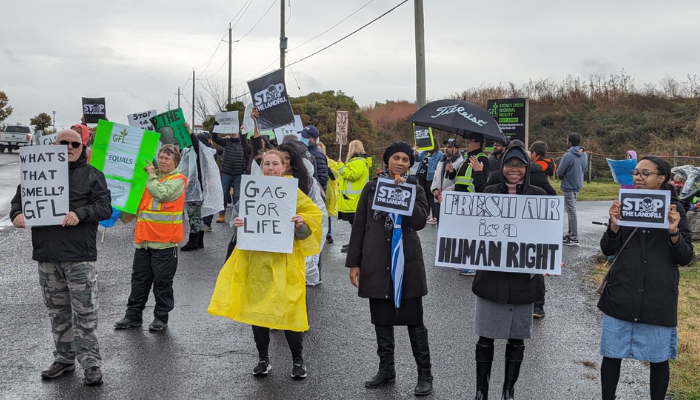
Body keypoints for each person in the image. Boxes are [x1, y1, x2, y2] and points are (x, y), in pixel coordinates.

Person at [10, 128, 112, 385]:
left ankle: (90, 363)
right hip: (47, 255)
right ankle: (64, 359)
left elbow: (104, 207)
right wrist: (17, 216)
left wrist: (81, 213)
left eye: (74, 144)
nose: (68, 147)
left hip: (79, 256)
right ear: (53, 144)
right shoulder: (35, 175)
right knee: (57, 312)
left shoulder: (92, 175)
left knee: (85, 313)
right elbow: (18, 203)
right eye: (63, 142)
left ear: (82, 148)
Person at [208, 150, 322, 379]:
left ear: (284, 166)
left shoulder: (294, 194)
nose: (270, 168)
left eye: (275, 164)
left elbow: (311, 224)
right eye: (267, 164)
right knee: (257, 310)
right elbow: (236, 223)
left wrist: (301, 224)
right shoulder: (252, 191)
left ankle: (298, 360)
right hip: (257, 262)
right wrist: (238, 224)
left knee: (290, 310)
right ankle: (263, 358)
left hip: (285, 263)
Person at [599, 156, 693, 400]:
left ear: (661, 178)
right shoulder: (625, 204)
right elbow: (608, 249)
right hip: (622, 291)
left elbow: (685, 257)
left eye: (645, 173)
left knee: (658, 357)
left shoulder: (676, 209)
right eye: (636, 173)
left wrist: (673, 232)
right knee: (611, 354)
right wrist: (614, 226)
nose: (638, 178)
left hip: (657, 295)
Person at [347, 141, 433, 396]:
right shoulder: (372, 188)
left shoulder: (415, 188)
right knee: (381, 320)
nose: (400, 162)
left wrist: (404, 195)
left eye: (405, 160)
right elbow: (360, 226)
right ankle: (387, 370)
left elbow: (419, 222)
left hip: (407, 262)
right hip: (376, 261)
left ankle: (424, 374)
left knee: (414, 321)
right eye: (396, 157)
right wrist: (354, 263)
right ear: (387, 160)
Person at [471, 143, 547, 400]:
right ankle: (481, 391)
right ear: (502, 167)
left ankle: (508, 391)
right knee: (486, 337)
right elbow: (473, 226)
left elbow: (548, 231)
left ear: (526, 168)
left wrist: (550, 258)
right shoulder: (490, 191)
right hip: (492, 275)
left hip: (523, 277)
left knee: (516, 339)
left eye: (519, 165)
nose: (514, 169)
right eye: (509, 164)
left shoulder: (538, 195)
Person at [114, 144, 187, 332]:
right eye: (161, 157)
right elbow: (139, 205)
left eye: (167, 158)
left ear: (175, 162)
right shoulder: (149, 179)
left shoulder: (178, 179)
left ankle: (161, 318)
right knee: (139, 281)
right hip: (144, 241)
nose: (162, 161)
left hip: (165, 242)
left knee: (162, 283)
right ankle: (133, 316)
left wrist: (151, 176)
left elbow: (162, 194)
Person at [278, 142, 328, 285]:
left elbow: (317, 210)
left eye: (287, 158)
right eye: (280, 158)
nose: (284, 162)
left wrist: (304, 221)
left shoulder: (307, 182)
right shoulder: (266, 181)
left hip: (297, 232)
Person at [453, 132, 490, 275]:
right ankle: (464, 259)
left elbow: (482, 183)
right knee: (463, 233)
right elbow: (459, 180)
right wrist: (451, 173)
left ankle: (474, 264)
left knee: (473, 234)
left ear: (478, 144)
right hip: (462, 201)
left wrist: (477, 171)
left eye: (470, 141)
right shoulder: (467, 159)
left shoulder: (481, 159)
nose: (467, 144)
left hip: (473, 201)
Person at [211, 120, 252, 223]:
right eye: (231, 131)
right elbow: (215, 138)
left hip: (239, 173)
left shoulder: (243, 143)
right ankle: (222, 214)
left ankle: (236, 215)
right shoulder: (226, 142)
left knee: (237, 195)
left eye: (235, 131)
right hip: (226, 172)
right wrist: (216, 127)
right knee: (224, 193)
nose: (233, 133)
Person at [336, 140, 372, 253]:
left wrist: (341, 167)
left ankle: (356, 246)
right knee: (355, 224)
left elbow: (352, 175)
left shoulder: (359, 162)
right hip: (354, 198)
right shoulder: (358, 161)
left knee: (356, 225)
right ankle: (353, 244)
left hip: (355, 199)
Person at [556, 133, 588, 246]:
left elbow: (559, 172)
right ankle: (570, 234)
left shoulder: (568, 156)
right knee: (571, 210)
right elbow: (585, 169)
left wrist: (560, 176)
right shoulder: (584, 154)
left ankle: (573, 236)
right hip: (578, 185)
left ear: (569, 142)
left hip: (568, 186)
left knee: (571, 211)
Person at [430, 138, 465, 224]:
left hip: (452, 201)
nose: (446, 148)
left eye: (450, 147)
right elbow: (435, 178)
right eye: (446, 146)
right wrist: (434, 189)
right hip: (439, 200)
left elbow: (460, 182)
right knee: (439, 227)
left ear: (456, 149)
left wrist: (449, 190)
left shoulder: (461, 163)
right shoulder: (441, 162)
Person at [414, 144, 443, 224]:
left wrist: (437, 172)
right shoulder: (424, 153)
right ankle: (426, 215)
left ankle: (435, 216)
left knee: (432, 197)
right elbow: (418, 159)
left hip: (431, 177)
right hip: (422, 176)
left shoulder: (439, 154)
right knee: (425, 196)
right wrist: (416, 153)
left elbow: (442, 163)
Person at [299, 125, 329, 191]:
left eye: (306, 137)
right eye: (302, 136)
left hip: (313, 193)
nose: (302, 138)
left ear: (314, 140)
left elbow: (322, 179)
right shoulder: (301, 151)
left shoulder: (318, 155)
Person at [197, 132, 215, 232]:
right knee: (204, 201)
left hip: (208, 180)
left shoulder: (209, 152)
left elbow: (211, 167)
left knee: (208, 202)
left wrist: (209, 179)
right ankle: (204, 222)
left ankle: (207, 222)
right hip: (201, 180)